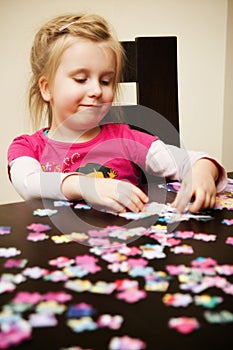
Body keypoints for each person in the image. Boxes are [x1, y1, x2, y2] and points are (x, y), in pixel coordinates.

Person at [7, 13, 227, 214]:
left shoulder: (126, 139)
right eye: (81, 79)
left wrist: (203, 171)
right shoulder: (27, 148)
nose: (96, 91)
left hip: (125, 247)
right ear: (46, 88)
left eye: (106, 81)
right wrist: (84, 186)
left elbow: (188, 160)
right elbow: (29, 183)